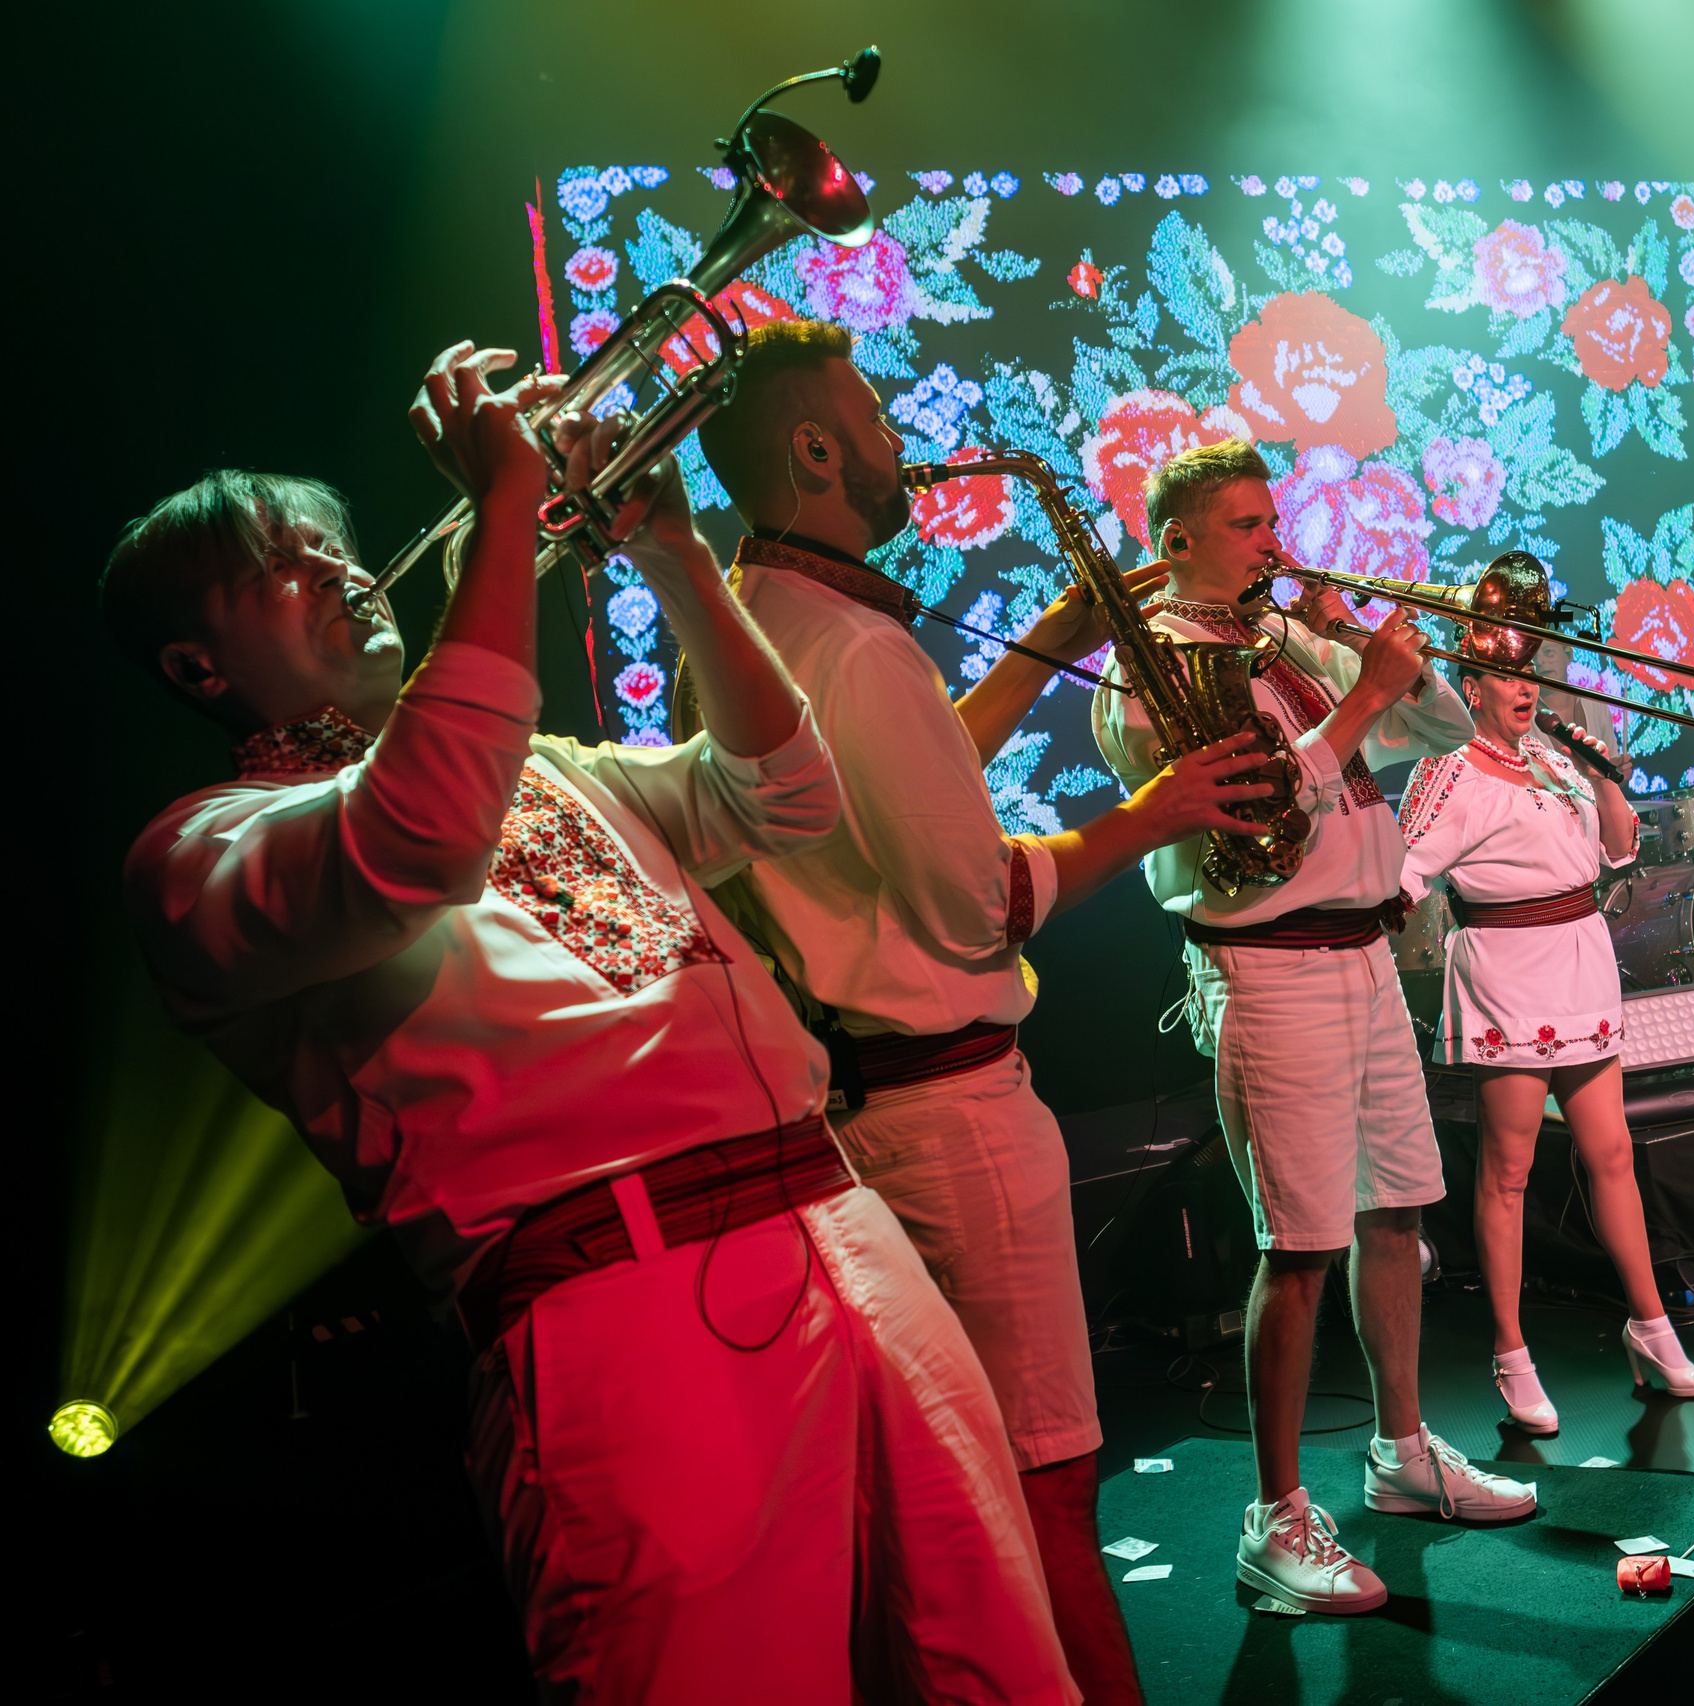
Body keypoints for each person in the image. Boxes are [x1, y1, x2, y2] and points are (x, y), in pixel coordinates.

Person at [109, 344, 1076, 1703]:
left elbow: (785, 793)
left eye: (334, 540)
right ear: (196, 664)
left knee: (989, 1661)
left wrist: (680, 557)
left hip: (839, 1226)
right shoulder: (202, 850)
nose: (339, 568)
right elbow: (418, 836)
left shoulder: (547, 767)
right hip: (612, 1300)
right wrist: (505, 513)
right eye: (281, 561)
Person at [690, 319, 1273, 1701]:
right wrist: (1152, 816)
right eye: (876, 419)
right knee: (1049, 1480)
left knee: (965, 1490)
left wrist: (1036, 647)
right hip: (953, 1112)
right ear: (816, 450)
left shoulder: (768, 614)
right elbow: (970, 904)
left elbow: (905, 772)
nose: (903, 440)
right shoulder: (854, 641)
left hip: (873, 1112)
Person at [1092, 438, 1537, 1617]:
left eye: (1269, 518)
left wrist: (1346, 632)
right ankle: (1275, 1517)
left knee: (1395, 1208)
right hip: (1270, 967)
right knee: (1299, 1246)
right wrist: (1362, 694)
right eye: (1244, 525)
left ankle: (1401, 1452)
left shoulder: (1279, 638)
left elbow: (1444, 730)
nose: (1270, 542)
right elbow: (1254, 809)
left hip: (1365, 956)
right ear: (1175, 539)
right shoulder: (1150, 664)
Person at [1395, 637, 1694, 1432]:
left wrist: (1604, 776)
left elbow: (1618, 848)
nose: (1521, 689)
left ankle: (1652, 1328)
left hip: (1581, 957)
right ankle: (1511, 1355)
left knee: (1610, 1154)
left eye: (1526, 674)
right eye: (1502, 676)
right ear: (1470, 687)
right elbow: (1401, 869)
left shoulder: (1556, 753)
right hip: (1507, 968)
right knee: (1509, 1170)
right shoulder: (1447, 767)